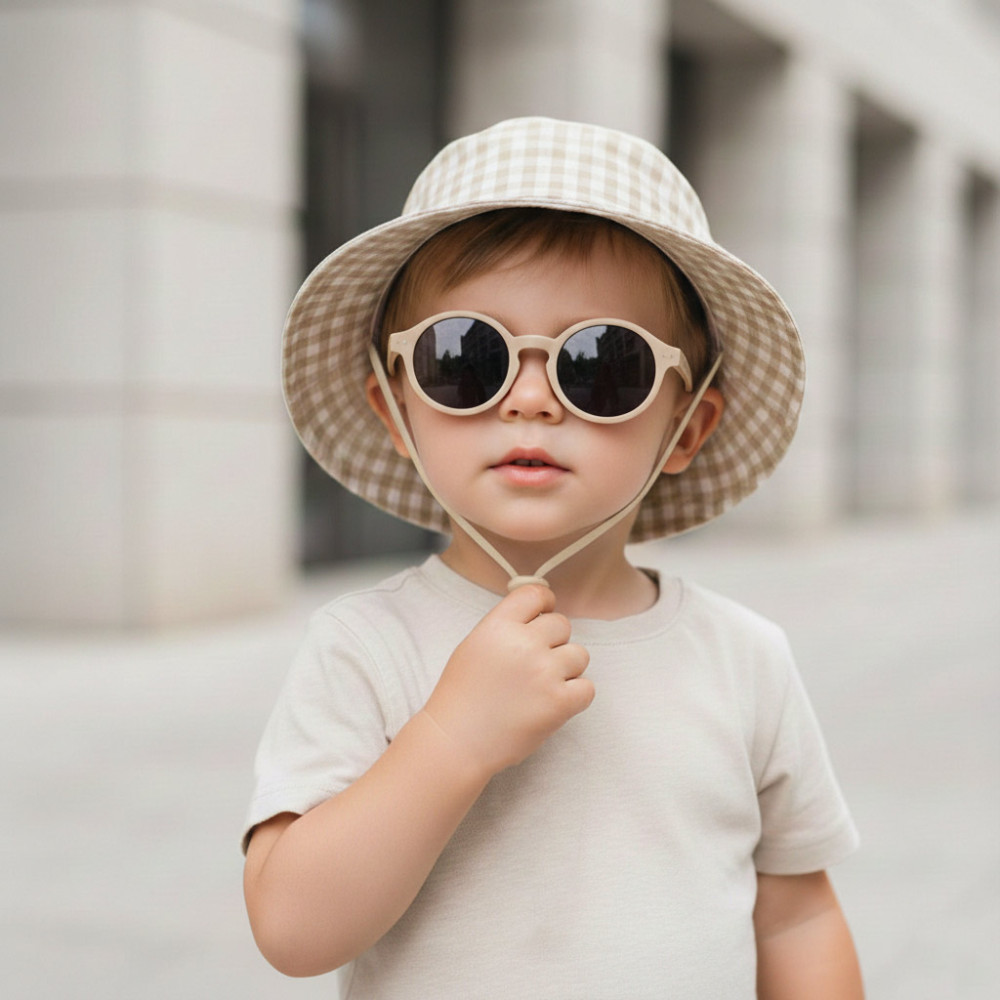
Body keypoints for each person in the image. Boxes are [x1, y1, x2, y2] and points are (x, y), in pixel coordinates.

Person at [242, 117, 863, 998]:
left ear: (688, 426)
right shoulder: (366, 647)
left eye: (600, 366)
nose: (530, 399)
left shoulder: (745, 660)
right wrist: (451, 738)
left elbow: (796, 912)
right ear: (394, 410)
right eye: (468, 358)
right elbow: (294, 929)